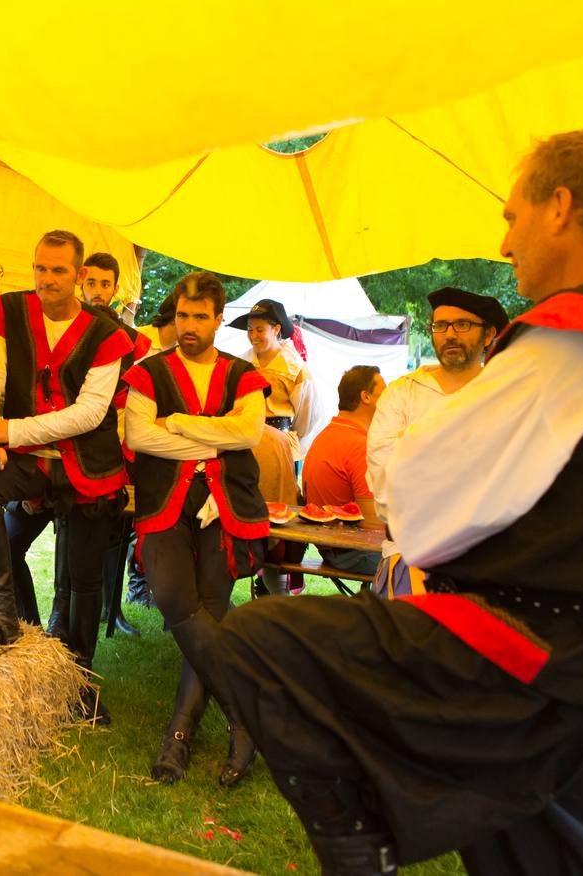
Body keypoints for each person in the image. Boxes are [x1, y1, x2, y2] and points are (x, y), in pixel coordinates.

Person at [170, 128, 583, 874]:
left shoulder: (581, 329)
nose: (505, 242)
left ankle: (360, 845)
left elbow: (420, 499)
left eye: (512, 217)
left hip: (531, 652)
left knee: (261, 638)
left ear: (561, 208)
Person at [0, 229, 132, 725]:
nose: (46, 279)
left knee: (83, 576)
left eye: (58, 270)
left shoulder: (107, 335)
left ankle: (79, 679)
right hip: (31, 459)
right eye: (40, 268)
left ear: (78, 276)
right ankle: (5, 618)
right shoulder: (9, 314)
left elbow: (88, 414)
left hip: (88, 462)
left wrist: (8, 430)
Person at [123, 272, 269, 788]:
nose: (188, 325)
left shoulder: (242, 373)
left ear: (216, 318)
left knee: (209, 611)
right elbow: (138, 435)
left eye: (199, 316)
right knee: (174, 601)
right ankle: (243, 715)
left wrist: (180, 422)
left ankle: (178, 736)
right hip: (165, 505)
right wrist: (216, 441)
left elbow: (250, 430)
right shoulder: (148, 372)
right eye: (182, 315)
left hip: (225, 508)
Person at [365, 286, 508, 596]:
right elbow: (386, 483)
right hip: (412, 558)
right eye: (440, 325)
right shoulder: (403, 394)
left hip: (489, 564)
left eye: (463, 325)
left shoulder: (506, 397)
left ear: (488, 334)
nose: (449, 334)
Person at [44, 250, 152, 640]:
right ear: (82, 281)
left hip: (111, 441)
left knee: (108, 529)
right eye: (92, 283)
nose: (98, 291)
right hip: (60, 440)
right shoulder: (62, 327)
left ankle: (112, 607)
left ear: (116, 287)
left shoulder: (133, 340)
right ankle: (60, 610)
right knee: (67, 526)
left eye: (106, 284)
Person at [300, 364, 385, 575]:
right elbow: (373, 525)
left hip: (332, 548)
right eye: (386, 393)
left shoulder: (327, 435)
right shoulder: (360, 446)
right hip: (358, 553)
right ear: (366, 397)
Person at [233, 298, 321, 458]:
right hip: (245, 444)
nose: (253, 336)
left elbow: (308, 416)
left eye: (260, 329)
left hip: (280, 445)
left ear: (276, 329)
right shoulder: (241, 364)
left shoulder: (294, 368)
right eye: (250, 329)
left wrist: (289, 438)